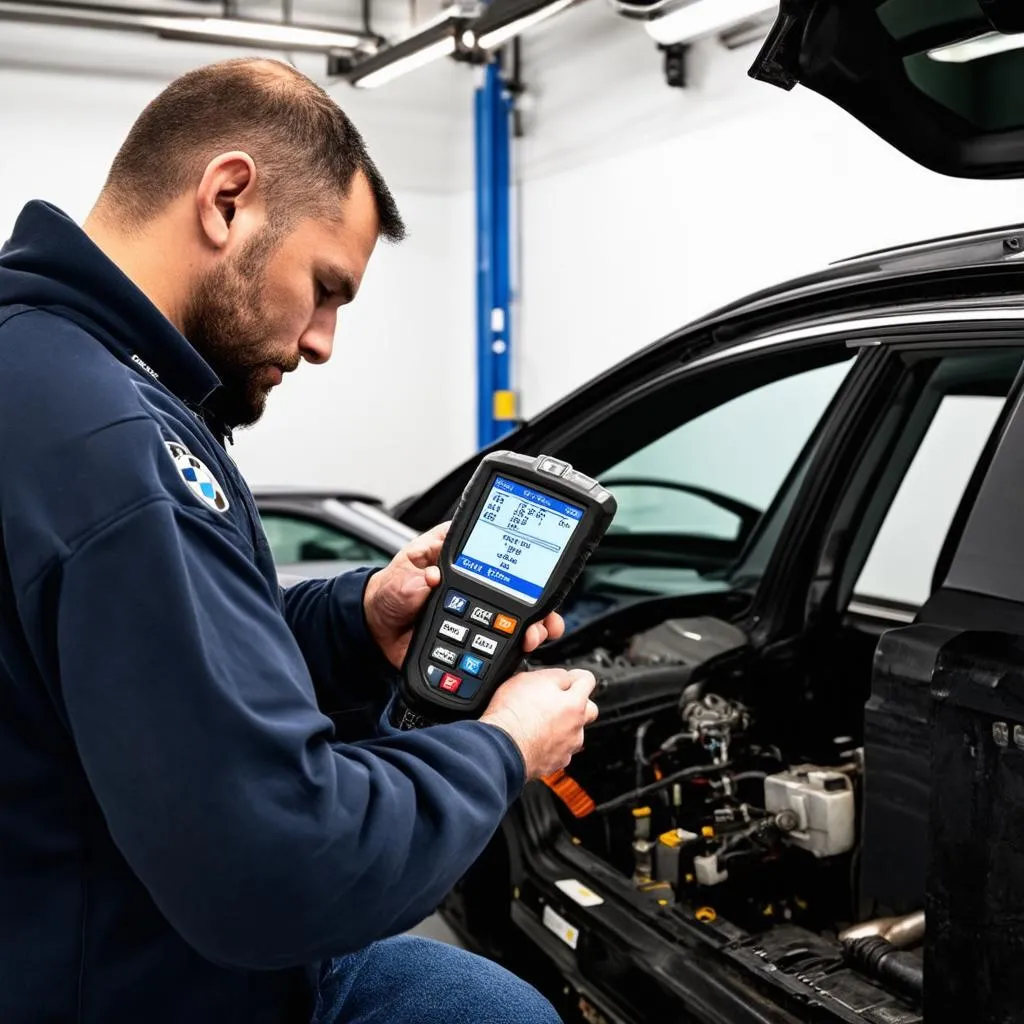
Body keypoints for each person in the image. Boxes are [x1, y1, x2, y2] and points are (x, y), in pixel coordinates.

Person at [0, 57, 598, 1024]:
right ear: (227, 199)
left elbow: (139, 665)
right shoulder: (117, 444)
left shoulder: (45, 368)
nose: (321, 341)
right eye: (326, 289)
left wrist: (354, 623)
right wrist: (504, 747)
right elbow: (280, 872)